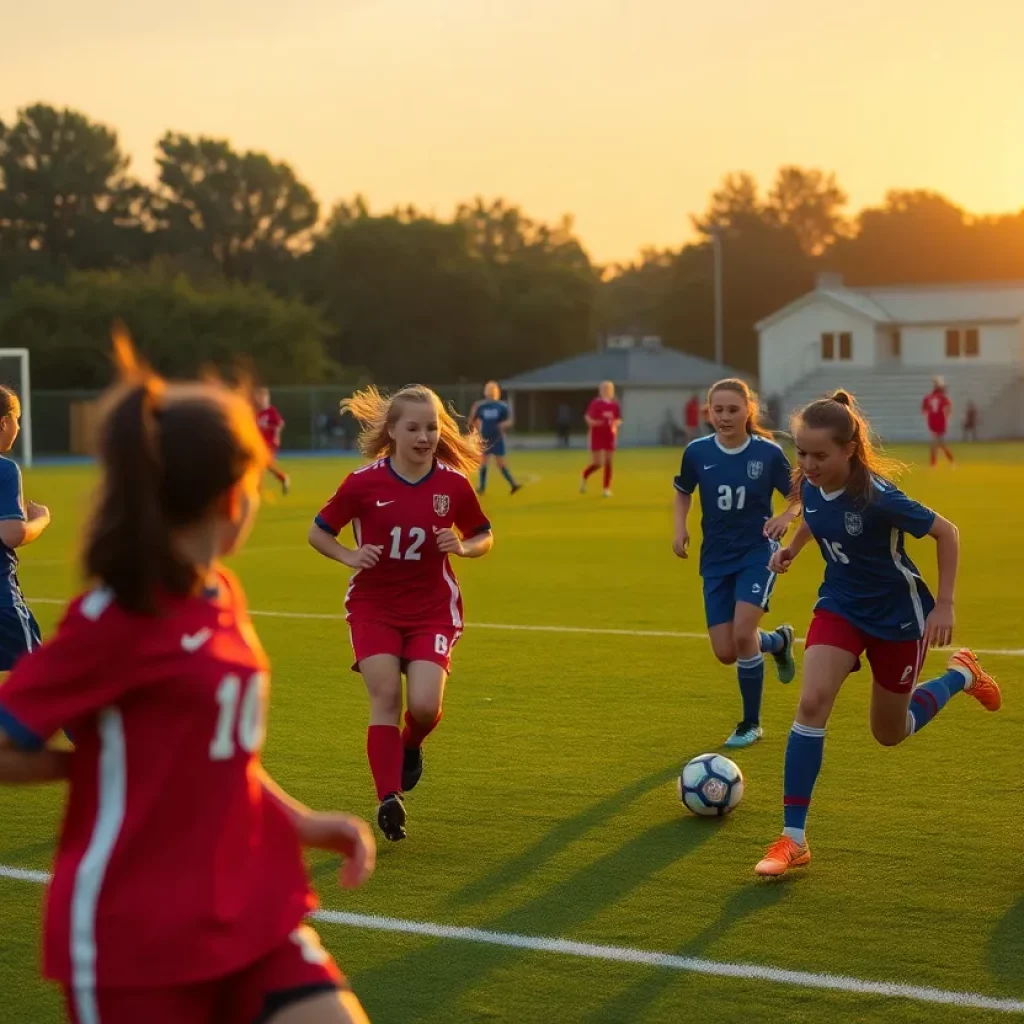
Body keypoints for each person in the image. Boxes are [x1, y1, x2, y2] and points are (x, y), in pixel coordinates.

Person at [0, 336, 375, 1023]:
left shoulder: (222, 593)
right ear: (234, 495)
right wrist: (103, 764)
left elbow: (217, 754)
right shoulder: (116, 616)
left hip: (250, 906)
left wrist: (304, 823)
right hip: (136, 937)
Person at [754, 390, 1000, 878]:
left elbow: (946, 532)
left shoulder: (878, 496)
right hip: (840, 605)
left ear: (849, 450)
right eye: (801, 453)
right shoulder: (809, 478)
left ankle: (959, 675)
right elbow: (814, 514)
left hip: (897, 618)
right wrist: (794, 550)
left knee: (891, 732)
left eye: (820, 455)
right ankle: (793, 838)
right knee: (811, 702)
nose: (807, 463)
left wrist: (945, 605)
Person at [308, 385, 494, 842]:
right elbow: (319, 533)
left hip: (433, 609)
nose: (424, 436)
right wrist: (350, 556)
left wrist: (465, 547)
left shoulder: (452, 484)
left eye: (431, 427)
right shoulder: (362, 483)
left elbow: (484, 533)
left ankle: (410, 745)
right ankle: (389, 798)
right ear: (392, 431)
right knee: (386, 697)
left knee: (426, 708)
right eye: (413, 427)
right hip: (374, 606)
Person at [672, 379, 798, 748]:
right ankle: (777, 641)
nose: (725, 417)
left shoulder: (768, 453)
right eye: (718, 410)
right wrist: (679, 528)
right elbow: (682, 492)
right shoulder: (696, 452)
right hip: (715, 559)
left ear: (748, 411)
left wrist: (786, 518)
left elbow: (797, 496)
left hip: (757, 554)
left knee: (743, 634)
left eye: (733, 409)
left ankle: (750, 724)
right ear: (708, 412)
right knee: (726, 652)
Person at [0, 386, 50, 674]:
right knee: (40, 678)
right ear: (4, 422)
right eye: (17, 419)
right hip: (2, 603)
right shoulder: (6, 470)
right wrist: (41, 519)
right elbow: (11, 534)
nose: (18, 427)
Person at [468, 381, 521, 496]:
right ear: (486, 392)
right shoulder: (480, 406)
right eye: (489, 392)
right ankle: (482, 487)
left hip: (497, 438)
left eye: (493, 392)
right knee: (483, 462)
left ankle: (513, 484)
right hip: (485, 438)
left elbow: (509, 421)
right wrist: (475, 431)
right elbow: (473, 420)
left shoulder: (501, 406)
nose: (491, 395)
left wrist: (504, 424)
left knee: (501, 463)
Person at [580, 381, 622, 497]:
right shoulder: (595, 403)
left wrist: (615, 424)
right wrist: (596, 423)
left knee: (609, 461)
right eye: (604, 389)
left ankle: (606, 488)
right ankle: (584, 475)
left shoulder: (614, 405)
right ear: (600, 391)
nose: (607, 391)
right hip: (597, 435)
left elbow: (618, 419)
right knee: (598, 463)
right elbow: (588, 418)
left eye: (609, 389)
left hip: (609, 436)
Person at [255, 386, 291, 495]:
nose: (261, 400)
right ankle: (283, 478)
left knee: (260, 464)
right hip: (260, 444)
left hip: (270, 444)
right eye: (259, 397)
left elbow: (280, 423)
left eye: (263, 397)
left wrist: (276, 435)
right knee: (267, 466)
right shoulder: (257, 413)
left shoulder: (271, 411)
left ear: (267, 398)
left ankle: (257, 489)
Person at [921, 377, 954, 467]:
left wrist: (928, 416)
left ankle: (935, 464)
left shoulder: (929, 397)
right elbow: (949, 408)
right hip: (939, 423)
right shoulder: (941, 397)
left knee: (936, 444)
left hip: (935, 423)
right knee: (939, 444)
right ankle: (949, 462)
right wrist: (947, 417)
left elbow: (924, 410)